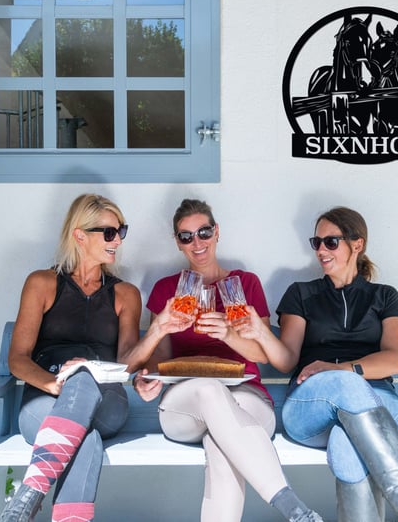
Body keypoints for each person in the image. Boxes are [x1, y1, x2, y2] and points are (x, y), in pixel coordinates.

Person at [234, 206, 398, 522]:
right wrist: (261, 332)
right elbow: (287, 361)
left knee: (348, 443)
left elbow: (395, 360)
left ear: (357, 244)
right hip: (310, 408)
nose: (321, 250)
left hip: (379, 403)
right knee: (346, 385)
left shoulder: (384, 296)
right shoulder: (302, 294)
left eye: (331, 242)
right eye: (316, 242)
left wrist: (339, 368)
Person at [125, 198, 323, 522]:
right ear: (178, 242)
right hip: (187, 405)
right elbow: (160, 361)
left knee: (221, 444)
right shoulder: (167, 290)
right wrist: (148, 377)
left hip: (248, 399)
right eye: (186, 236)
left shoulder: (244, 284)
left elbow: (261, 355)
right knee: (209, 389)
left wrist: (229, 334)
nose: (197, 242)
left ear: (216, 232)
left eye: (204, 232)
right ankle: (292, 508)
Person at [0, 194, 142, 522]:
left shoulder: (125, 294)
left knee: (84, 374)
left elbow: (127, 362)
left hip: (107, 404)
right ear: (80, 235)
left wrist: (160, 329)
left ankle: (29, 494)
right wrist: (54, 384)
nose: (118, 240)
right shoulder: (42, 283)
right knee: (85, 440)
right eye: (109, 233)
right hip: (45, 403)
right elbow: (17, 359)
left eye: (121, 231)